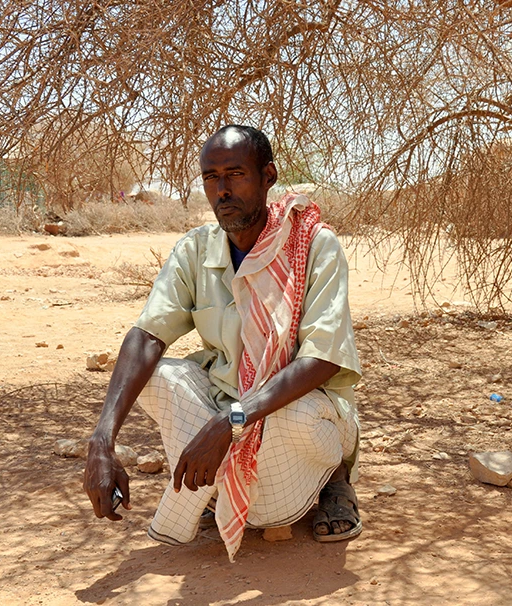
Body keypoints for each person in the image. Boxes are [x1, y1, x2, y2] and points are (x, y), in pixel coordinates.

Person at [83, 125, 362, 562]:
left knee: (272, 500)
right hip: (228, 411)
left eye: (236, 174)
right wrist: (102, 439)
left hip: (301, 415)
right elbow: (147, 335)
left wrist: (229, 421)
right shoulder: (196, 250)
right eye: (211, 178)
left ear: (268, 176)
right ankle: (218, 487)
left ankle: (332, 479)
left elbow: (323, 359)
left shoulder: (313, 245)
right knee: (157, 375)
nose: (222, 190)